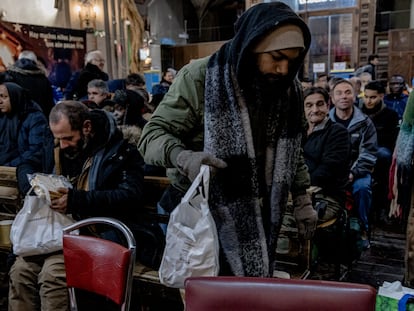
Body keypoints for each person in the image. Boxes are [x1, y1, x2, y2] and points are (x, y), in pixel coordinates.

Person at [138, 2, 318, 277]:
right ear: (251, 47)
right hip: (200, 213)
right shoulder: (200, 77)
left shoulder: (287, 89)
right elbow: (151, 137)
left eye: (292, 61)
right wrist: (182, 156)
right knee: (205, 295)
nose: (284, 69)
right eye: (277, 57)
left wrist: (302, 197)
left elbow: (292, 151)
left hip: (259, 212)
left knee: (248, 294)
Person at [8, 100, 144, 311]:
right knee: (20, 272)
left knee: (53, 274)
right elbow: (26, 163)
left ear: (87, 127)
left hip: (95, 233)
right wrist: (35, 185)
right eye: (58, 138)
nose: (62, 145)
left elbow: (130, 196)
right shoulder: (55, 145)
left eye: (68, 138)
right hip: (54, 232)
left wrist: (77, 200)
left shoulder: (120, 152)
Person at [328, 78, 377, 249]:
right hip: (332, 172)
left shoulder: (365, 122)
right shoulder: (326, 121)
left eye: (348, 92)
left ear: (355, 96)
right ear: (332, 98)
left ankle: (363, 228)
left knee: (362, 188)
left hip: (357, 172)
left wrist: (353, 172)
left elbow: (369, 153)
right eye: (339, 93)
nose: (344, 96)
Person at [303, 87, 350, 222]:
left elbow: (327, 170)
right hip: (297, 194)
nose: (315, 110)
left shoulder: (338, 133)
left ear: (328, 105)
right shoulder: (298, 132)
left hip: (326, 196)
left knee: (292, 222)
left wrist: (298, 186)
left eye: (320, 104)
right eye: (309, 105)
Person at [0, 81, 54, 193]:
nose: (0, 101)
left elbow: (36, 151)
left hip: (25, 168)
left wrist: (9, 165)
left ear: (15, 97)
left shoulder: (34, 117)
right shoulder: (3, 117)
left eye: (4, 97)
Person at [362, 80, 399, 225]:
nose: (368, 101)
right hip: (361, 149)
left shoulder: (390, 115)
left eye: (373, 97)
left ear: (381, 96)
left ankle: (382, 208)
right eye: (366, 97)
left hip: (380, 150)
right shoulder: (359, 112)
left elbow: (391, 140)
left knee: (384, 157)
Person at [5, 50, 55, 117]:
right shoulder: (43, 79)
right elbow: (49, 105)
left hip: (15, 120)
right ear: (35, 61)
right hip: (38, 119)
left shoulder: (9, 75)